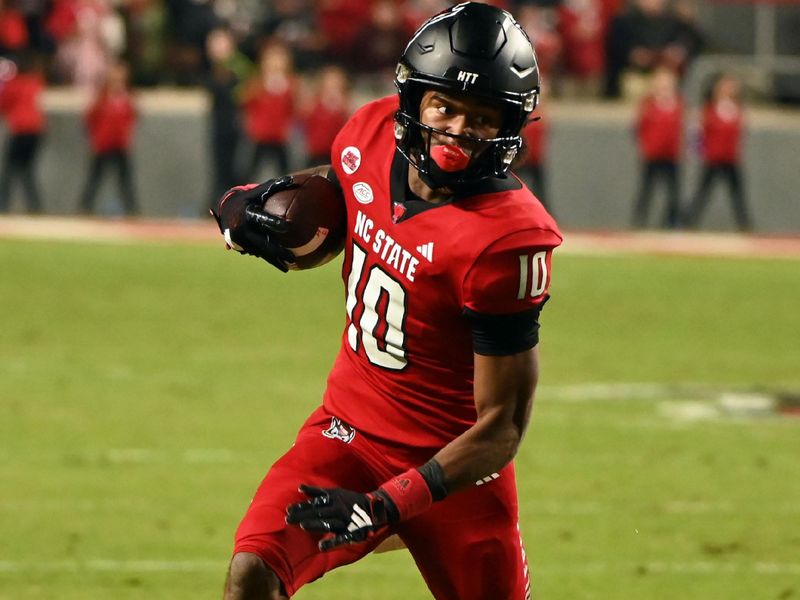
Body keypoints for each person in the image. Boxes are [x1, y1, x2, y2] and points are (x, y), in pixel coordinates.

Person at [211, 3, 562, 599]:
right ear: (413, 101)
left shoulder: (509, 240)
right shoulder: (371, 132)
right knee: (253, 576)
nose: (456, 130)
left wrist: (388, 503)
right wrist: (249, 207)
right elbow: (345, 192)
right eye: (444, 107)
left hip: (455, 470)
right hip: (347, 432)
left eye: (479, 118)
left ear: (507, 128)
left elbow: (503, 427)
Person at [683, 73, 752, 231]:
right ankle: (690, 221)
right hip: (713, 158)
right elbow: (698, 132)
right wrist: (698, 152)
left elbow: (740, 134)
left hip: (731, 159)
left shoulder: (737, 110)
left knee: (737, 194)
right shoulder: (709, 110)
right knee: (702, 192)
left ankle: (744, 224)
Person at [78, 60, 139, 216]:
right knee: (95, 177)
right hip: (103, 143)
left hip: (120, 144)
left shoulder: (127, 96)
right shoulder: (102, 97)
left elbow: (133, 117)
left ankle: (131, 208)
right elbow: (90, 117)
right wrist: (95, 136)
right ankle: (85, 206)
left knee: (125, 179)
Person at [631, 67, 683, 228]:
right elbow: (638, 127)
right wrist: (645, 147)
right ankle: (639, 221)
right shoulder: (648, 104)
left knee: (673, 191)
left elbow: (683, 129)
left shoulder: (678, 104)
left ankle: (672, 222)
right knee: (646, 190)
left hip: (671, 154)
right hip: (652, 154)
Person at [241, 38, 295, 181]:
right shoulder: (257, 83)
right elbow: (247, 104)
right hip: (260, 136)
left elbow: (293, 108)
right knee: (252, 169)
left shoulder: (290, 84)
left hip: (280, 136)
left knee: (286, 171)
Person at [0, 51, 45, 213]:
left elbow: (3, 105)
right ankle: (34, 206)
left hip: (21, 130)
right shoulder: (36, 82)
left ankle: (3, 204)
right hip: (36, 131)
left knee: (10, 169)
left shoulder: (14, 85)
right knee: (26, 170)